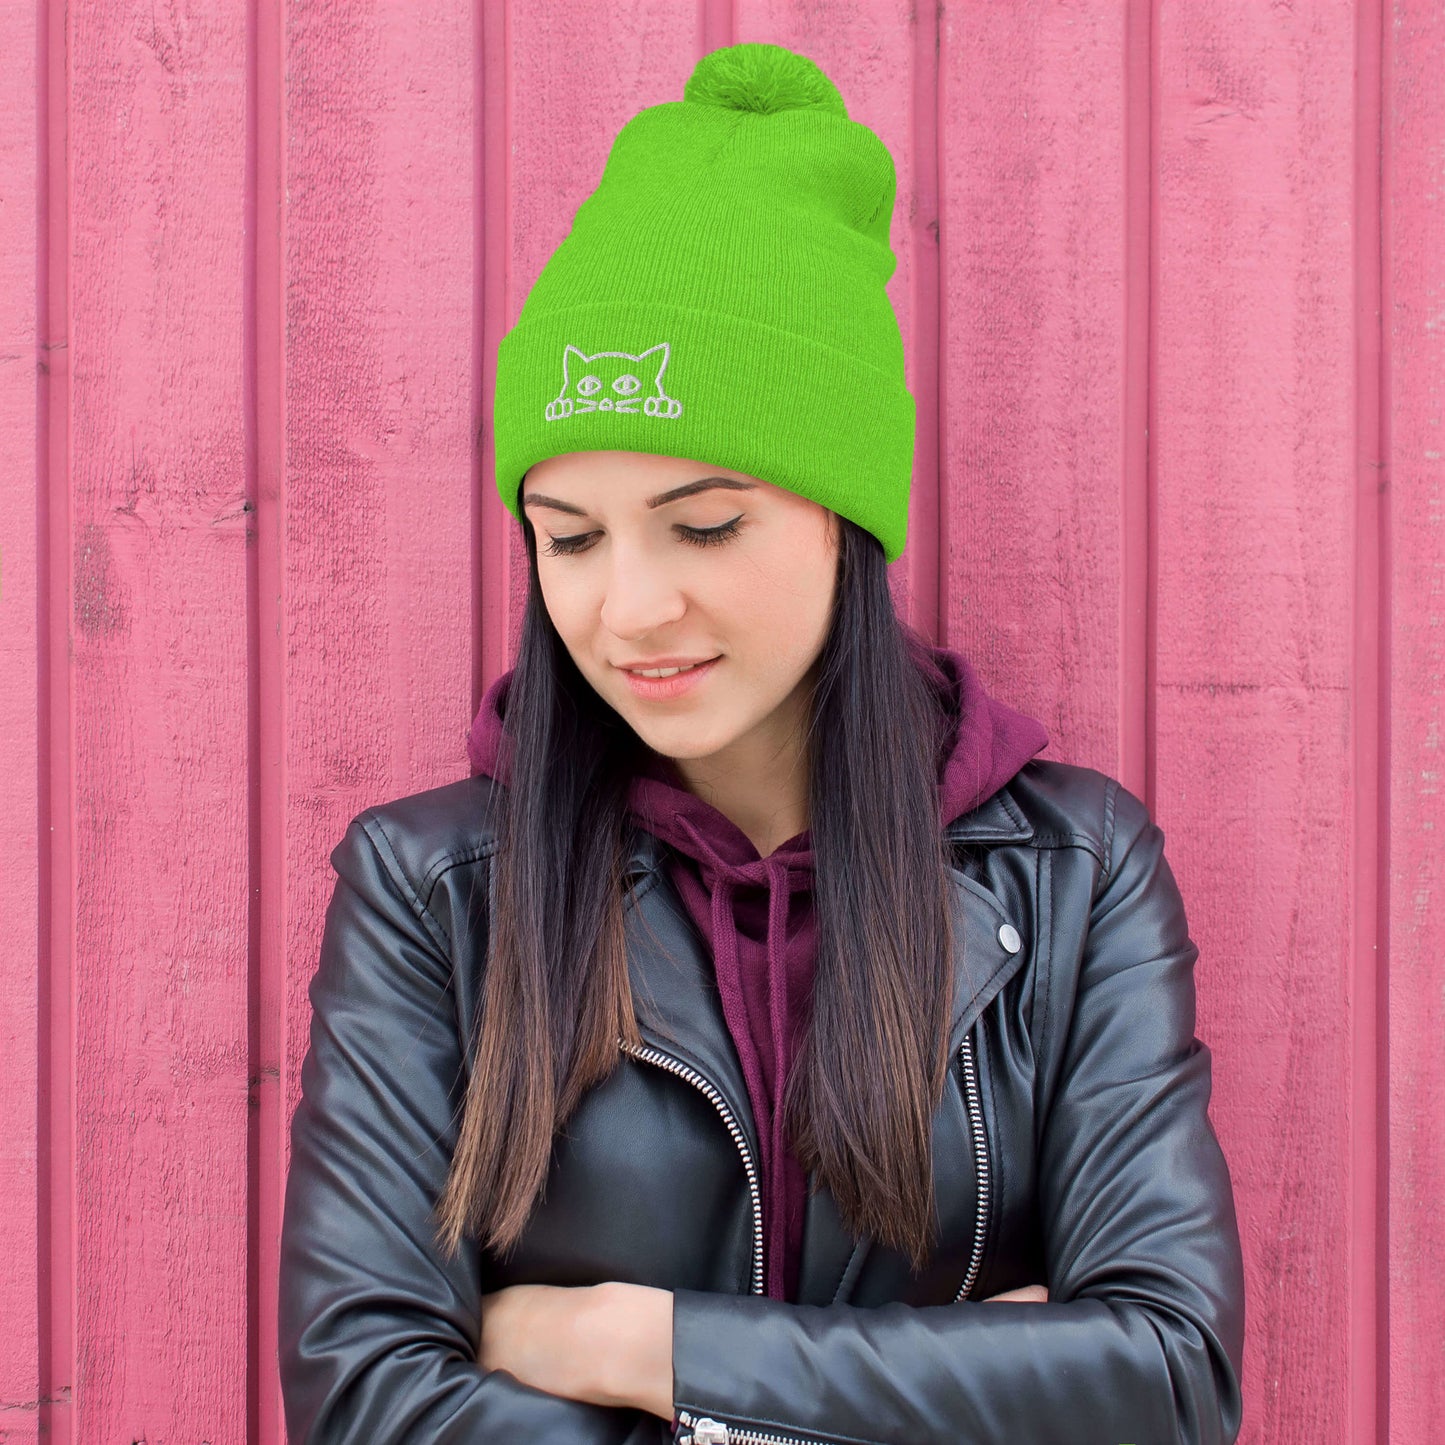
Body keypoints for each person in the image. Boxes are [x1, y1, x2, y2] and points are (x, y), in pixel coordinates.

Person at [278, 41, 1245, 1445]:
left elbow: (1166, 1379)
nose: (630, 609)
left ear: (843, 521)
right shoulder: (434, 891)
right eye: (570, 539)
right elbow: (370, 1402)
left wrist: (634, 1342)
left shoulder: (1071, 871)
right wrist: (972, 1379)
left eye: (704, 525)